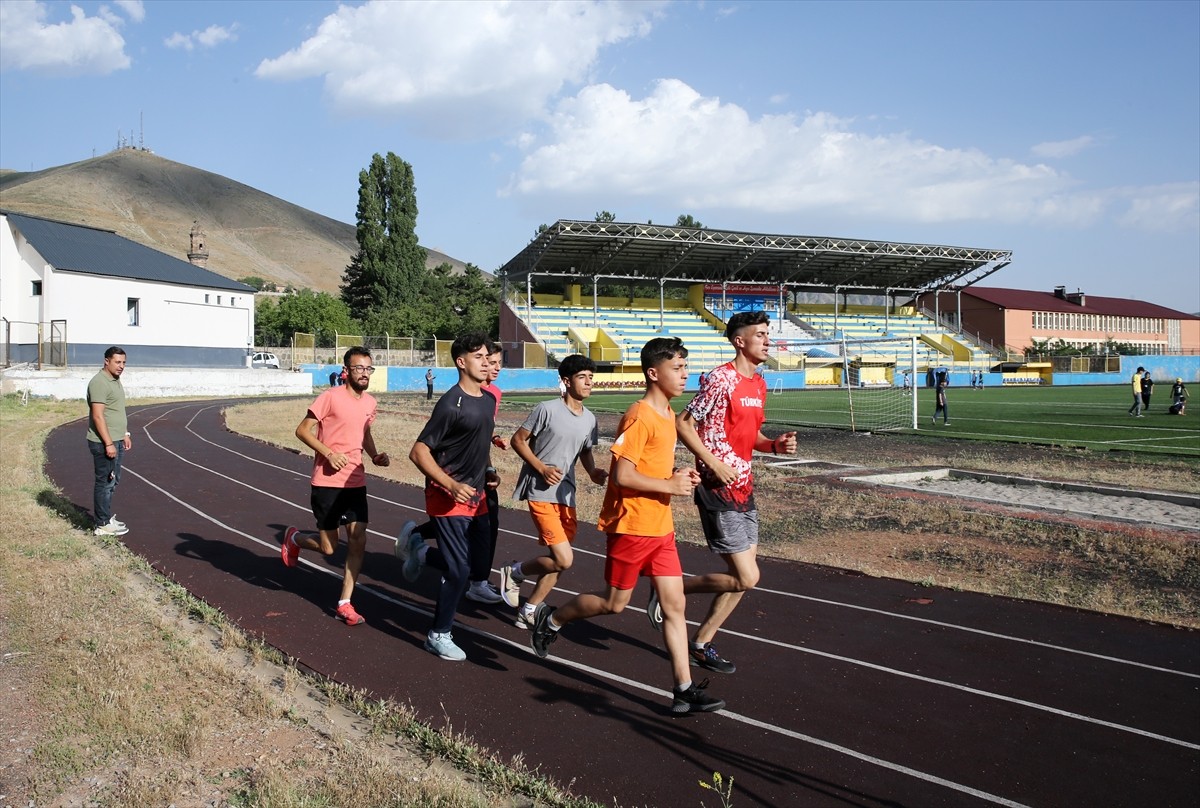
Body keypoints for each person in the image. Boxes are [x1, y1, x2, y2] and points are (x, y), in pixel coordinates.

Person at [528, 337, 726, 715]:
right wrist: (669, 484)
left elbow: (648, 468)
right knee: (613, 604)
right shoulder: (639, 415)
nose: (686, 375)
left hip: (660, 527)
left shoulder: (668, 413)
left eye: (686, 367)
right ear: (654, 373)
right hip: (632, 526)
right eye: (678, 368)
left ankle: (683, 689)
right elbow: (622, 474)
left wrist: (675, 475)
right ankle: (551, 618)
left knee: (675, 606)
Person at [667, 311, 797, 674]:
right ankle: (670, 591)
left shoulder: (758, 384)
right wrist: (712, 462)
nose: (768, 340)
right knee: (747, 576)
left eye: (768, 334)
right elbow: (684, 423)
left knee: (744, 579)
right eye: (761, 334)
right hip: (716, 486)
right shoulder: (720, 379)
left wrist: (774, 445)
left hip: (745, 486)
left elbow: (750, 437)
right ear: (740, 341)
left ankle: (702, 642)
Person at [397, 333, 498, 661]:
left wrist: (489, 471)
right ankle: (438, 634)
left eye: (487, 357)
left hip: (478, 492)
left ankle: (420, 549)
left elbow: (477, 445)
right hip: (447, 495)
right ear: (460, 362)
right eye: (479, 357)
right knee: (459, 570)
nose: (486, 362)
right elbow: (419, 451)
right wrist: (451, 484)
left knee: (475, 566)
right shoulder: (450, 403)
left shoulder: (486, 399)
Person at [282, 347, 390, 626]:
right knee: (329, 548)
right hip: (327, 482)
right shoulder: (330, 397)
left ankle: (345, 602)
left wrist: (375, 454)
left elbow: (364, 431)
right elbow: (302, 430)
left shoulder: (370, 403)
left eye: (368, 369)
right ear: (347, 371)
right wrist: (329, 453)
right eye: (359, 368)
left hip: (355, 480)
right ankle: (294, 539)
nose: (364, 373)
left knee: (358, 540)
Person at [500, 354, 608, 629]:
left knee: (558, 561)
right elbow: (518, 441)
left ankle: (530, 608)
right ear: (566, 381)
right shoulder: (546, 409)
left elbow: (585, 450)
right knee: (564, 558)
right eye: (582, 377)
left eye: (591, 377)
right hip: (540, 490)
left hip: (566, 495)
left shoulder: (590, 419)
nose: (588, 382)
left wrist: (593, 471)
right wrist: (541, 468)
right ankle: (515, 572)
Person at [87, 346, 132, 537]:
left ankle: (105, 517)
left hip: (117, 439)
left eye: (123, 363)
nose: (121, 366)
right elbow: (98, 416)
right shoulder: (99, 382)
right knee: (104, 482)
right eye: (117, 362)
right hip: (104, 442)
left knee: (113, 481)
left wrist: (124, 434)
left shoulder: (115, 380)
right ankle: (102, 524)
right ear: (106, 361)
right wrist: (108, 443)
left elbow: (116, 411)